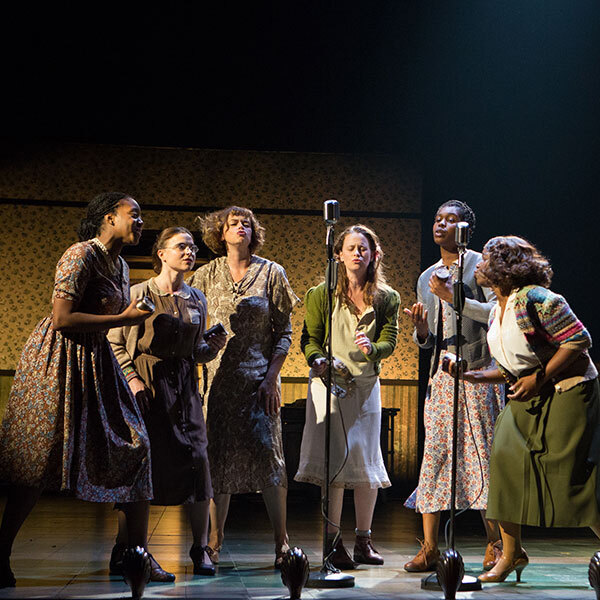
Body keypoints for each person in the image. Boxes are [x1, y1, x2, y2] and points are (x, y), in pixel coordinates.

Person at [0, 192, 164, 588]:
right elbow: (61, 318)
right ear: (108, 218)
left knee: (136, 445)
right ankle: (0, 550)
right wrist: (123, 317)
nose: (140, 222)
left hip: (97, 359)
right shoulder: (81, 254)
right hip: (59, 360)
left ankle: (133, 555)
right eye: (134, 215)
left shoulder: (121, 265)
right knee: (38, 461)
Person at [458, 235, 600, 583]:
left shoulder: (537, 298)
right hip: (528, 394)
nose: (478, 264)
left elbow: (579, 340)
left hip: (568, 391)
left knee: (570, 479)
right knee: (504, 463)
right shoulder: (497, 308)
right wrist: (474, 375)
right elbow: (512, 366)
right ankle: (511, 555)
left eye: (486, 258)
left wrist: (540, 378)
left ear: (504, 267)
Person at [108, 227, 227, 578]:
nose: (189, 252)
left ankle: (200, 547)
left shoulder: (197, 298)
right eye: (181, 246)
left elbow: (197, 351)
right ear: (161, 253)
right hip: (147, 387)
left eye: (192, 247)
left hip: (185, 388)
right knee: (143, 466)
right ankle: (127, 548)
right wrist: (133, 379)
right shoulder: (138, 292)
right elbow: (115, 343)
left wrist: (212, 347)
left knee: (198, 461)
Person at [189, 206, 299, 568]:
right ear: (220, 233)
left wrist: (271, 377)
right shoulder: (205, 274)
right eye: (233, 224)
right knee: (217, 461)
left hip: (259, 383)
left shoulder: (271, 272)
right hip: (219, 382)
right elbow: (194, 327)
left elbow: (284, 331)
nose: (239, 228)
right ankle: (214, 544)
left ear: (254, 233)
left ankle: (282, 543)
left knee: (270, 459)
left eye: (246, 224)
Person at [403, 200, 504, 573]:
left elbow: (496, 314)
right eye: (437, 219)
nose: (440, 224)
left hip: (478, 372)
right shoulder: (426, 275)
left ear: (465, 229)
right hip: (441, 375)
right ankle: (429, 547)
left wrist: (454, 297)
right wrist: (422, 331)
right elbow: (429, 341)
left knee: (483, 460)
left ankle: (495, 545)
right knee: (435, 458)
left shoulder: (482, 267)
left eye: (450, 220)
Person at [295, 224, 400, 569]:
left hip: (366, 386)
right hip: (329, 385)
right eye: (351, 248)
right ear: (338, 254)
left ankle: (364, 541)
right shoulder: (320, 294)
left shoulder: (387, 297)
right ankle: (332, 542)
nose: (357, 253)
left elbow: (390, 340)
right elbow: (309, 338)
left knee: (366, 464)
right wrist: (317, 359)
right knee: (334, 465)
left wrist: (374, 349)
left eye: (364, 248)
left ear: (374, 255)